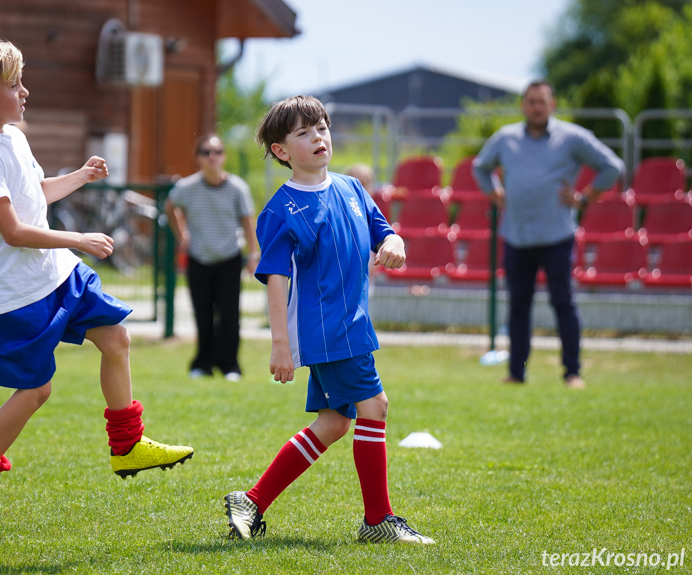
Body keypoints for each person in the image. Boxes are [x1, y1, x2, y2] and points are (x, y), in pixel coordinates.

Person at [0, 27, 193, 542]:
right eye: (15, 85)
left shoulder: (13, 137)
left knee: (116, 338)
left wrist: (79, 177)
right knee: (36, 389)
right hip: (19, 292)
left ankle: (127, 445)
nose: (25, 93)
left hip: (58, 273)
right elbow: (14, 230)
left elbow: (33, 193)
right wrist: (81, 238)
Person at [222, 95, 435, 545]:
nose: (318, 137)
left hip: (351, 325)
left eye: (321, 127)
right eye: (303, 132)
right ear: (281, 151)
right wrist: (280, 344)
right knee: (374, 408)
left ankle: (252, 501)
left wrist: (395, 241)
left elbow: (384, 232)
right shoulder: (280, 209)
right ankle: (378, 521)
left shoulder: (352, 189)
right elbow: (275, 278)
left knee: (336, 422)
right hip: (328, 330)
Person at [472, 80, 624, 389]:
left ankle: (572, 372)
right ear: (522, 106)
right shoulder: (506, 138)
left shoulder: (572, 138)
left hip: (557, 236)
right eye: (530, 101)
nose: (536, 107)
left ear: (552, 105)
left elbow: (612, 166)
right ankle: (517, 373)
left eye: (541, 102)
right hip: (516, 235)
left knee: (563, 303)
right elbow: (480, 167)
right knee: (518, 306)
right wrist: (494, 192)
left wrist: (584, 198)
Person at [164, 134, 258, 382]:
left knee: (229, 315)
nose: (212, 157)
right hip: (198, 258)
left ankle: (230, 366)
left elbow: (248, 222)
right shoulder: (187, 187)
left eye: (217, 151)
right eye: (206, 152)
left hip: (229, 257)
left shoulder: (238, 188)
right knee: (202, 314)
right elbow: (169, 206)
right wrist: (181, 235)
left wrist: (254, 254)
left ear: (224, 156)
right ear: (198, 158)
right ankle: (202, 364)